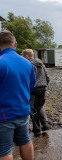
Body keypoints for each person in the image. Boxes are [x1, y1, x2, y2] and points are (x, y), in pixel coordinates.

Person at [0, 31, 36, 160]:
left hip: (4, 115)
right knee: (25, 141)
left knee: (4, 150)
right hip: (23, 112)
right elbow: (32, 86)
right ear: (14, 44)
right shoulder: (27, 63)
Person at [22, 49, 50, 135]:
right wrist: (45, 84)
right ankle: (45, 124)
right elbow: (47, 76)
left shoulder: (27, 64)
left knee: (32, 108)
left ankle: (36, 127)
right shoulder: (41, 63)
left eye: (23, 55)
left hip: (33, 89)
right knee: (40, 106)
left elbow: (27, 78)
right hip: (43, 87)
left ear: (26, 55)